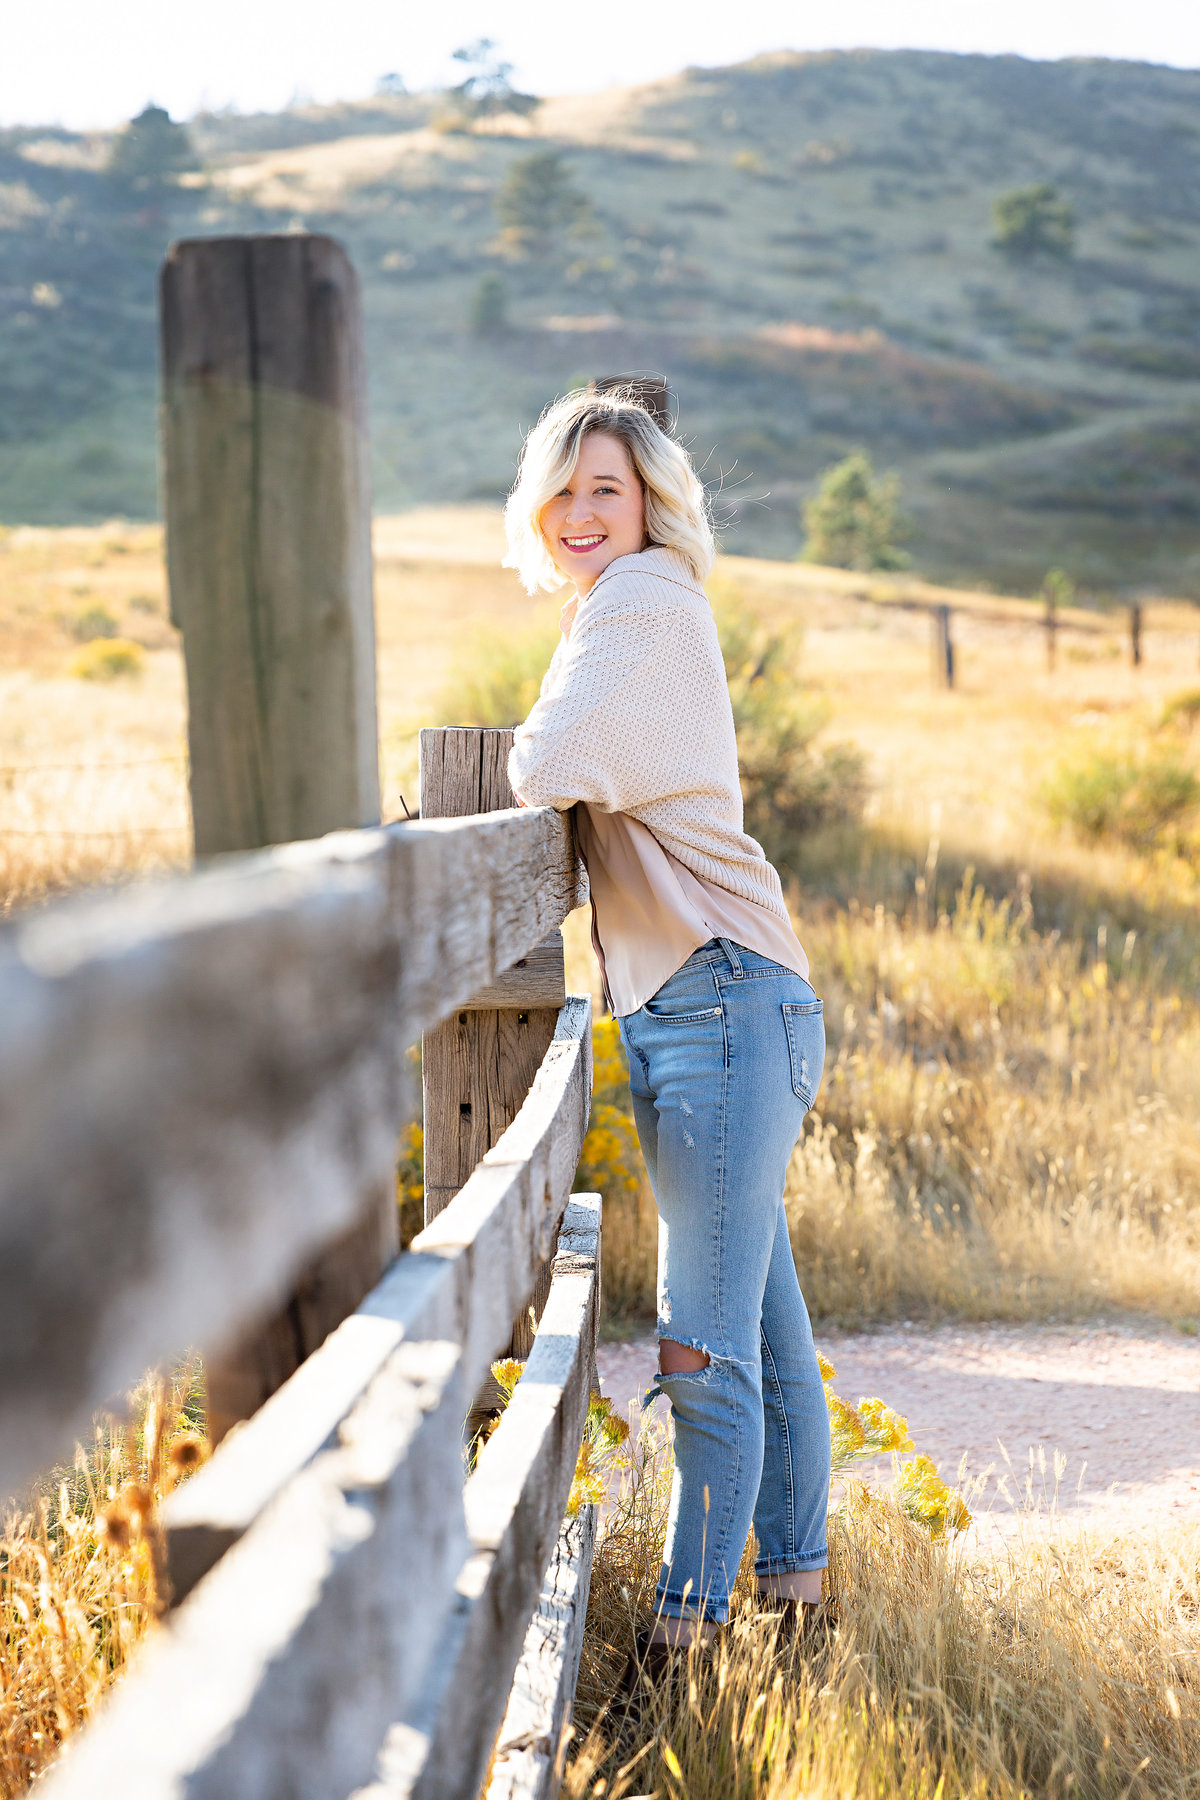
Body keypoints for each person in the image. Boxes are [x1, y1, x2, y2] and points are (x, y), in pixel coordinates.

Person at [505, 385, 831, 1673]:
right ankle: (796, 1604)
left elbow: (542, 767)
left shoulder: (638, 605)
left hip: (721, 1003)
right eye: (566, 489)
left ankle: (689, 1640)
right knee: (763, 1334)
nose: (584, 513)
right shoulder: (624, 608)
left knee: (702, 1344)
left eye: (610, 490)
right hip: (723, 999)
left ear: (650, 506)